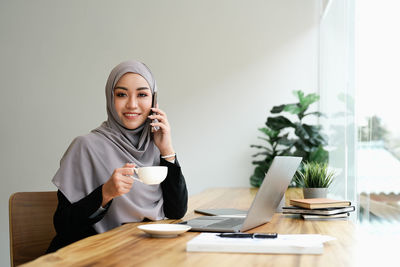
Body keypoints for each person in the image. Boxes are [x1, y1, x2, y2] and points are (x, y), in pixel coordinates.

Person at [46, 60, 188, 253]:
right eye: (121, 94)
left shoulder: (154, 145)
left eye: (142, 95)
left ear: (154, 101)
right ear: (110, 98)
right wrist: (105, 193)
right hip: (95, 256)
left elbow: (176, 212)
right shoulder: (85, 146)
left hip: (143, 252)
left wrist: (167, 150)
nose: (132, 104)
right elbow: (63, 226)